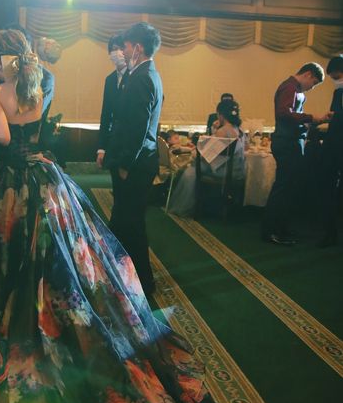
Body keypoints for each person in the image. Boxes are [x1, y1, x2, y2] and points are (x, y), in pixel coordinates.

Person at [0, 28, 243, 403]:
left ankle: (19, 312)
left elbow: (2, 137)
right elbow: (27, 129)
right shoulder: (38, 87)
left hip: (13, 185)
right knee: (55, 254)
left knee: (18, 251)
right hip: (46, 179)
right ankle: (52, 307)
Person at [104, 23, 163, 297]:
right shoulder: (146, 74)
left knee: (131, 225)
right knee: (124, 223)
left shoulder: (141, 78)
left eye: (126, 46)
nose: (124, 51)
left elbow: (137, 128)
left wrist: (125, 164)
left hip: (135, 166)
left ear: (137, 47)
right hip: (139, 162)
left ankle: (142, 284)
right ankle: (124, 278)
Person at [261, 62, 332, 246]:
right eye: (314, 83)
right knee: (284, 188)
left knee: (288, 187)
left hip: (291, 143)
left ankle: (279, 227)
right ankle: (271, 230)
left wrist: (316, 120)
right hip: (288, 143)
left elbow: (292, 116)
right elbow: (284, 113)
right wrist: (311, 117)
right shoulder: (290, 87)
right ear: (308, 74)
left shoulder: (294, 89)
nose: (312, 88)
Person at [169, 99, 246, 217]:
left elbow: (206, 154)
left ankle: (191, 205)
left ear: (221, 115)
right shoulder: (239, 130)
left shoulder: (222, 131)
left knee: (192, 168)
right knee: (196, 166)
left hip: (225, 172)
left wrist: (194, 154)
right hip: (238, 170)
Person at [318, 54, 343, 247]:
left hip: (336, 147)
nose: (335, 81)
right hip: (335, 146)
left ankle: (331, 233)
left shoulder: (339, 92)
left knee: (330, 191)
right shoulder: (338, 92)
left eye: (336, 77)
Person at [96, 33, 127, 168]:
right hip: (113, 144)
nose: (118, 52)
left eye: (121, 48)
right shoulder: (110, 80)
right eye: (114, 49)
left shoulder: (136, 76)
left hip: (130, 145)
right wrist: (101, 148)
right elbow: (106, 115)